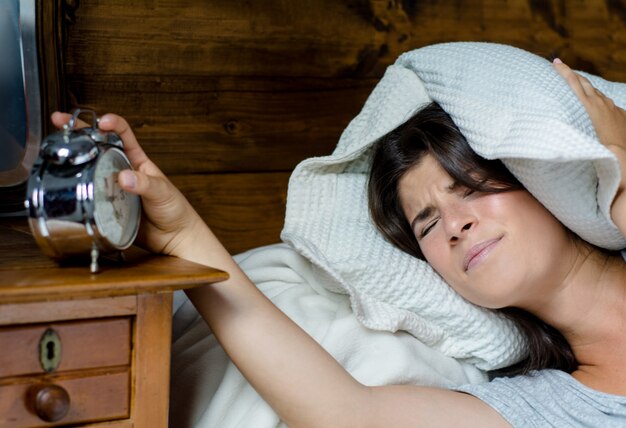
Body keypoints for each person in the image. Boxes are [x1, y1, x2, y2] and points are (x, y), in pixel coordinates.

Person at [52, 59, 626, 426]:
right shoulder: (555, 409)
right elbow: (347, 413)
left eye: (470, 187)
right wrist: (184, 237)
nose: (454, 225)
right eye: (426, 224)